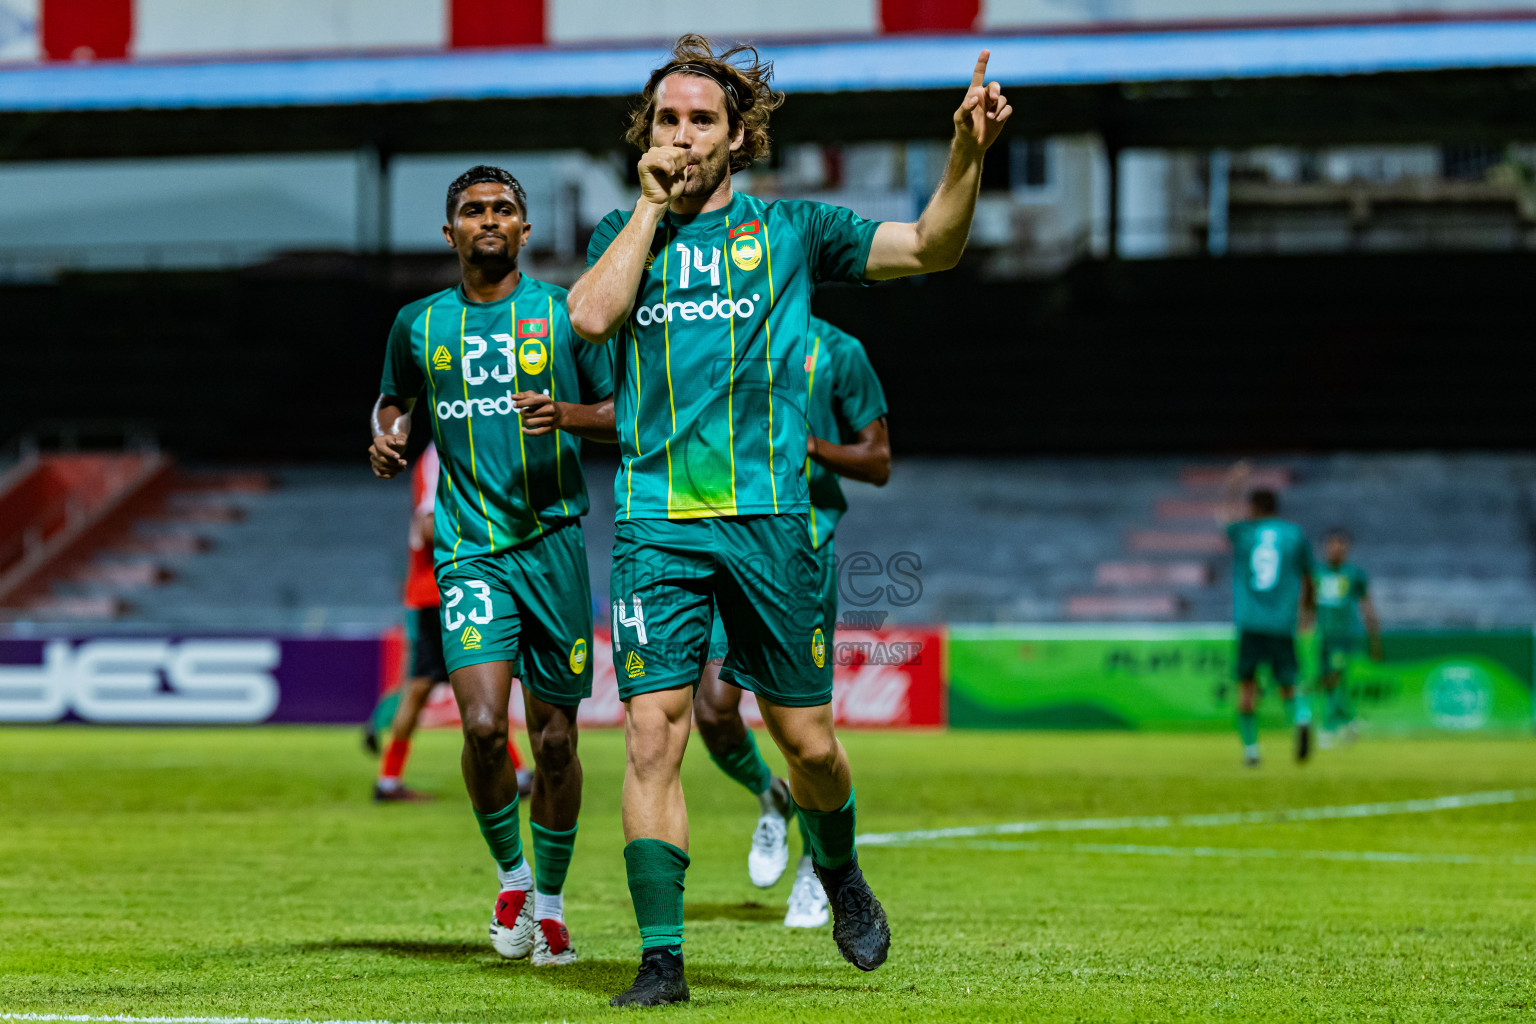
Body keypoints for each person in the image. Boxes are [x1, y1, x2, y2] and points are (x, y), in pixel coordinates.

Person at [566, 34, 1009, 1006]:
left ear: (741, 139)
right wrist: (648, 205)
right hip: (656, 520)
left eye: (702, 121)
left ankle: (840, 866)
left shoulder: (796, 232)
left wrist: (966, 153)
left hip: (774, 523)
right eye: (667, 119)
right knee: (652, 734)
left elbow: (932, 244)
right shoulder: (618, 233)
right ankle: (662, 958)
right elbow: (590, 322)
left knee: (807, 742)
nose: (681, 136)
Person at [368, 165, 615, 967]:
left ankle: (551, 903)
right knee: (481, 728)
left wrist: (569, 415)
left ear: (525, 230)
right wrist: (387, 431)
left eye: (503, 209)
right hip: (470, 552)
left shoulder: (564, 314)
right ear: (450, 233)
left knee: (553, 745)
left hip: (553, 548)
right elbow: (392, 400)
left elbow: (628, 410)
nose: (488, 220)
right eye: (473, 210)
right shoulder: (418, 324)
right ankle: (513, 881)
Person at [692, 315, 890, 929]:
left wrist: (813, 446)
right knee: (714, 709)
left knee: (802, 733)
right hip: (731, 544)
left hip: (801, 556)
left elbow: (878, 459)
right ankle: (771, 796)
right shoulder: (720, 338)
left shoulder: (839, 349)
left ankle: (817, 868)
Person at [365, 442, 533, 802]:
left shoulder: (458, 447)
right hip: (443, 590)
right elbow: (427, 525)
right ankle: (389, 780)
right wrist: (488, 533)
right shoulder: (441, 452)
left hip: (449, 588)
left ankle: (390, 779)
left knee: (455, 682)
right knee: (465, 680)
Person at [1220, 465, 1316, 767]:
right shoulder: (1294, 534)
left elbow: (1225, 519)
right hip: (1282, 622)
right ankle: (1301, 717)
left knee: (1247, 686)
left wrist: (1232, 486)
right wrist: (1307, 612)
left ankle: (1251, 751)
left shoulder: (1245, 531)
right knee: (1289, 682)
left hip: (1250, 621)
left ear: (1253, 507)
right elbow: (1310, 578)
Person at [1313, 527, 1382, 748]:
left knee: (1334, 679)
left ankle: (1329, 727)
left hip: (1344, 635)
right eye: (1332, 544)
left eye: (1340, 545)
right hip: (1322, 635)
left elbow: (1367, 605)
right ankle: (1350, 722)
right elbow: (1306, 604)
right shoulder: (1316, 573)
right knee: (1328, 682)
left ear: (1347, 549)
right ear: (1325, 547)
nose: (1335, 549)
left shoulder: (1354, 574)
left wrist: (1374, 638)